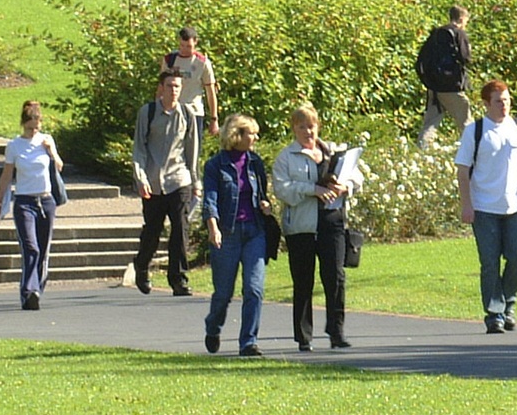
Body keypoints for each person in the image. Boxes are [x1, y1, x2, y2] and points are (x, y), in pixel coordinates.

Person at [455, 79, 517, 333]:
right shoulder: (475, 131)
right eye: (498, 101)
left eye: (506, 100)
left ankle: (509, 306)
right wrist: (467, 205)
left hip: (514, 206)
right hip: (484, 207)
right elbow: (462, 171)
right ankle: (494, 313)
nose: (504, 106)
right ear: (486, 104)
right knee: (490, 261)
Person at [273, 102, 355, 351]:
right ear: (293, 129)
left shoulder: (333, 151)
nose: (308, 132)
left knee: (336, 278)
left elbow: (355, 174)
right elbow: (282, 189)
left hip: (332, 222)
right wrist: (313, 190)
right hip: (302, 227)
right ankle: (303, 336)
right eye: (302, 127)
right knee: (303, 281)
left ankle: (336, 332)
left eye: (311, 126)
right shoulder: (286, 157)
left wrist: (346, 187)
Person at [200, 113, 270, 356]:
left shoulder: (255, 163)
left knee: (254, 288)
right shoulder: (215, 166)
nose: (256, 137)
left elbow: (262, 194)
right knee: (223, 293)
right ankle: (213, 326)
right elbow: (210, 199)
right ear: (236, 135)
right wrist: (213, 228)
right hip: (227, 234)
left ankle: (248, 342)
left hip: (254, 232)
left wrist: (265, 205)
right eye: (251, 133)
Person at [131, 70, 201, 297]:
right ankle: (141, 265)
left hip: (179, 179)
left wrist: (195, 181)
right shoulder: (148, 112)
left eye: (177, 86)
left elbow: (192, 150)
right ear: (161, 88)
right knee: (152, 231)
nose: (173, 90)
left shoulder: (187, 114)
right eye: (170, 86)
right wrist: (140, 178)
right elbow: (139, 149)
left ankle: (178, 279)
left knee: (180, 228)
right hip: (153, 181)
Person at [0, 99, 64, 311]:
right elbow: (7, 175)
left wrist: (52, 152)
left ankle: (37, 290)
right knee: (30, 247)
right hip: (24, 201)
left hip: (46, 200)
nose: (34, 131)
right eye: (30, 127)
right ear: (23, 124)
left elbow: (59, 167)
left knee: (43, 250)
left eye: (37, 127)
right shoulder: (14, 146)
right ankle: (28, 291)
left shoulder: (46, 141)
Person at [416, 5, 473, 148]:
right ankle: (475, 152)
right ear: (461, 19)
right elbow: (466, 58)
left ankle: (421, 150)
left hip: (434, 87)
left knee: (430, 122)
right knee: (466, 122)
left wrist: (428, 81)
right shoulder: (459, 34)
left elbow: (421, 59)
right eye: (466, 21)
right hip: (452, 87)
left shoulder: (435, 34)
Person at [162, 28, 221, 137]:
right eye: (182, 45)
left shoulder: (202, 63)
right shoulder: (169, 60)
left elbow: (210, 92)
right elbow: (161, 87)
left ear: (195, 42)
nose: (184, 49)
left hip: (194, 112)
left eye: (188, 46)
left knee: (193, 150)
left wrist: (214, 119)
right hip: (172, 111)